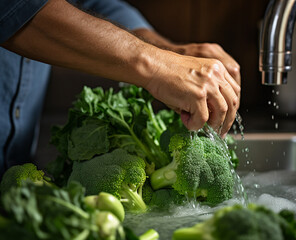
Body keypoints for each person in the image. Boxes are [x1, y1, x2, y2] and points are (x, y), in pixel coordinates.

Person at [0, 0, 241, 177]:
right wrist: (156, 64)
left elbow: (90, 4)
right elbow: (13, 9)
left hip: (18, 174)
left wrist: (169, 52)